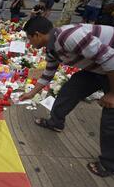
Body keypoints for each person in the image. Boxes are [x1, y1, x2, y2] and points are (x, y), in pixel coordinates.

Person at [20, 16, 114, 178]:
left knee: (110, 118)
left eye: (29, 38)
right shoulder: (51, 48)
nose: (30, 43)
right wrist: (31, 93)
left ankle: (108, 164)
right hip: (99, 69)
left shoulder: (69, 36)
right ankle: (55, 122)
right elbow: (48, 72)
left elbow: (111, 59)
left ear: (37, 35)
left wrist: (112, 94)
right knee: (70, 90)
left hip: (110, 66)